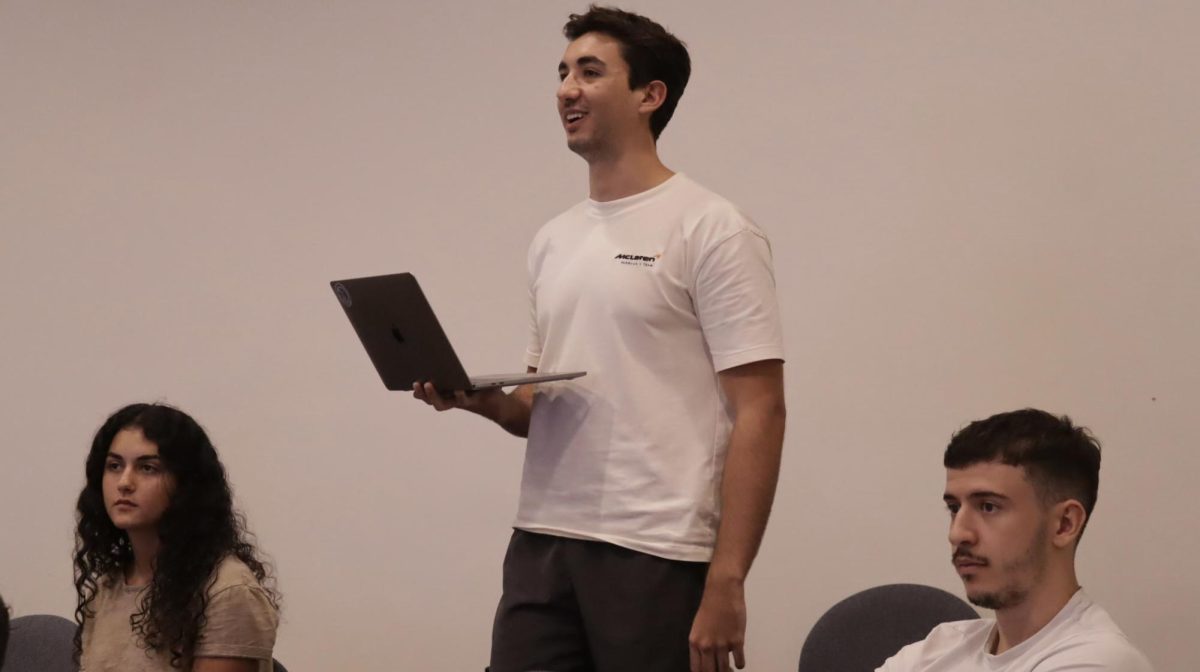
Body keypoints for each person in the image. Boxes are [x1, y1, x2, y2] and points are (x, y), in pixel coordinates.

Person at [414, 5, 786, 672]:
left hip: (657, 550)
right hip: (542, 542)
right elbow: (539, 408)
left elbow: (761, 409)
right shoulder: (553, 239)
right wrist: (472, 398)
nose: (566, 89)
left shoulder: (712, 228)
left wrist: (728, 579)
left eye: (590, 72)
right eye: (562, 73)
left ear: (650, 95)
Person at [877, 408, 1153, 671]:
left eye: (988, 506)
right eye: (954, 508)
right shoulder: (938, 648)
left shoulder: (1101, 660)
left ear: (1064, 524)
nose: (958, 533)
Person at [73, 403, 280, 672]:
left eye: (147, 468)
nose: (124, 482)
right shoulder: (108, 586)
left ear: (186, 485)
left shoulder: (227, 591)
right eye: (114, 466)